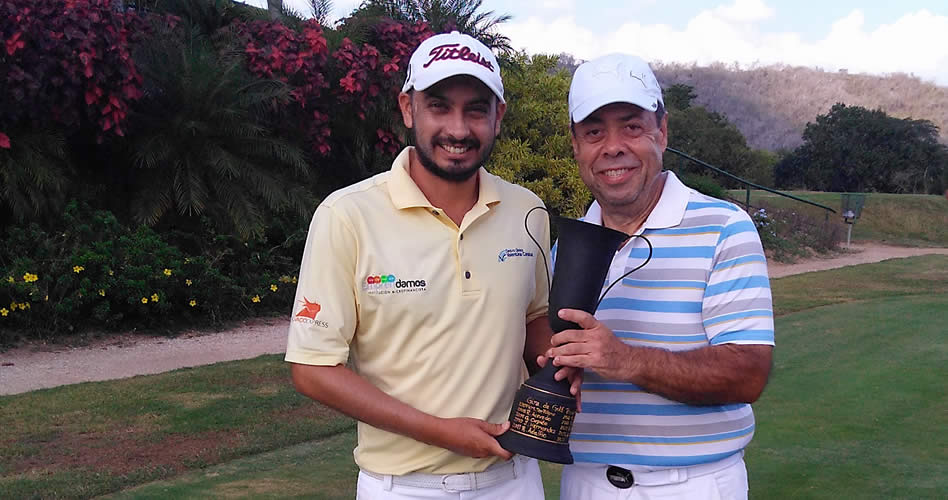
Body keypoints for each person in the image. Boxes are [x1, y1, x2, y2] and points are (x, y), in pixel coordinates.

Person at [285, 31, 567, 499]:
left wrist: (561, 364)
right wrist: (442, 432)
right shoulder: (347, 215)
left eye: (475, 109)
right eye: (439, 106)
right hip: (402, 487)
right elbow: (313, 368)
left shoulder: (527, 210)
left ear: (498, 117)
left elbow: (533, 316)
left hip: (513, 480)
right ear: (408, 108)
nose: (457, 130)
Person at [546, 53, 775, 500]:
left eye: (632, 127)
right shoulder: (565, 248)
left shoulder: (724, 227)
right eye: (594, 132)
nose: (613, 147)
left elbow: (748, 372)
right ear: (576, 145)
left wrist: (627, 360)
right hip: (586, 483)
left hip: (693, 485)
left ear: (662, 132)